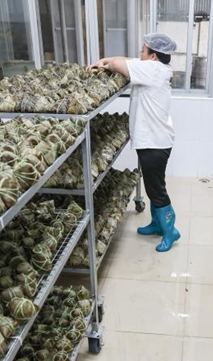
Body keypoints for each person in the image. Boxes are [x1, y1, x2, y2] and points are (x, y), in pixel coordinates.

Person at [87, 33, 180, 253]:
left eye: (143, 50)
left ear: (154, 56)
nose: (140, 53)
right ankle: (157, 224)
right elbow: (124, 59)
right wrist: (103, 61)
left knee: (157, 189)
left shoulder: (154, 70)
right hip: (151, 140)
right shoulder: (152, 66)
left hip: (156, 143)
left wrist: (109, 63)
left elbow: (120, 64)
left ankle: (170, 230)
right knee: (151, 185)